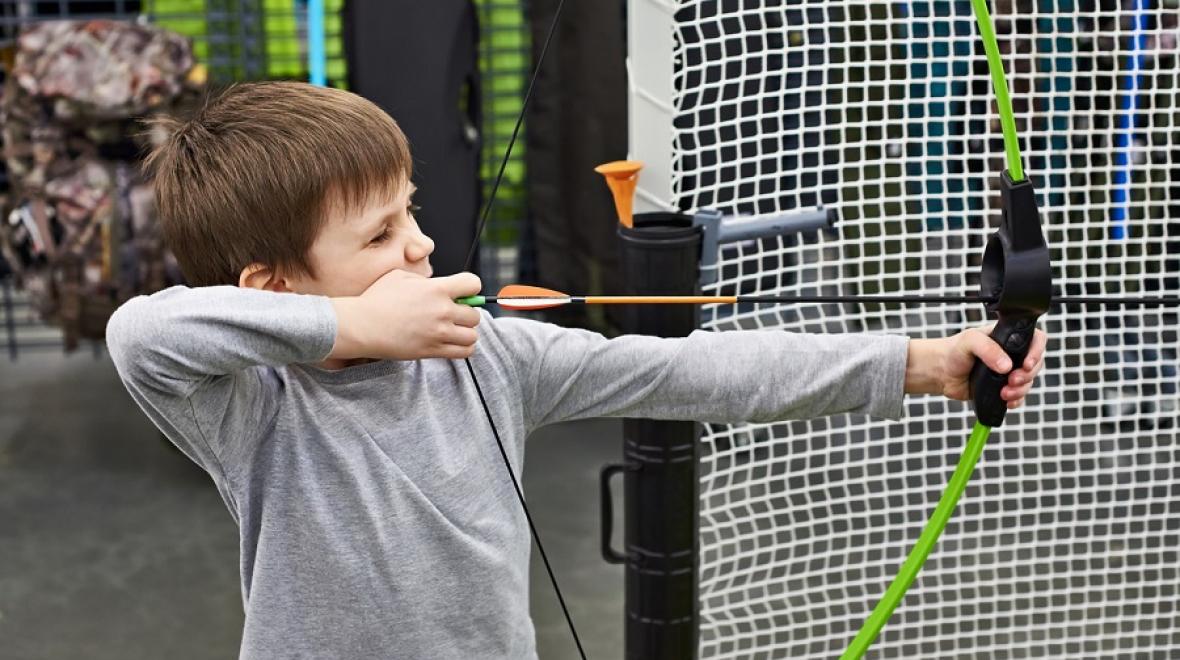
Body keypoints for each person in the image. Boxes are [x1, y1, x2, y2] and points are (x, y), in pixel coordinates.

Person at [106, 81, 1046, 659]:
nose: (422, 244)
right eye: (382, 235)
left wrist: (922, 363)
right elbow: (143, 338)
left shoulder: (489, 351)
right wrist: (350, 320)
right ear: (271, 286)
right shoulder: (255, 405)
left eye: (413, 212)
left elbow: (695, 372)